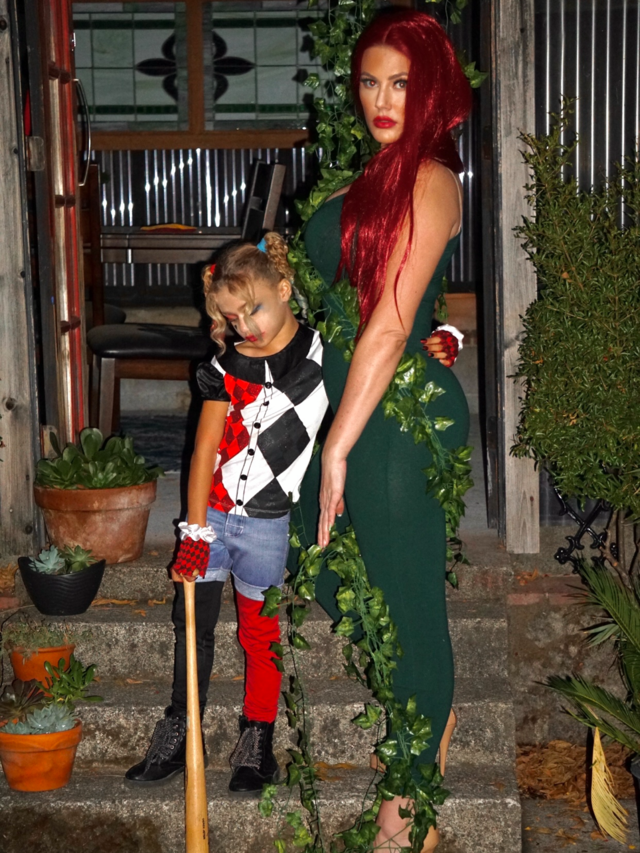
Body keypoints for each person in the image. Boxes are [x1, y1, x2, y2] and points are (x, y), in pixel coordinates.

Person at [294, 10, 472, 851]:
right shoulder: (364, 176)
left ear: (431, 89)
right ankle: (423, 710)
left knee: (408, 605)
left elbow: (393, 322)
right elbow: (341, 299)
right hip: (351, 405)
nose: (381, 99)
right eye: (369, 81)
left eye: (400, 82)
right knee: (313, 549)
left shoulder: (432, 179)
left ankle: (407, 817)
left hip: (397, 419)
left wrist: (337, 446)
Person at [125, 232, 329, 795]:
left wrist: (444, 337)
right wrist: (194, 530)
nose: (245, 327)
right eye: (233, 317)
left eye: (253, 310)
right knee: (193, 625)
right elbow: (203, 451)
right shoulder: (224, 365)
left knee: (260, 634)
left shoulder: (323, 355)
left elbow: (388, 353)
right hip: (211, 516)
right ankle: (182, 728)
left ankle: (257, 740)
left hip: (267, 524)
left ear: (283, 289)